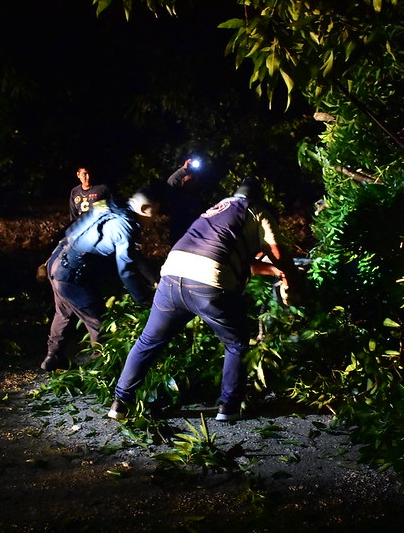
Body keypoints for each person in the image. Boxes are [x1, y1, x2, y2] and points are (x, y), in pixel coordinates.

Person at [107, 176, 302, 421]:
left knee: (148, 341)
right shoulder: (257, 212)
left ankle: (119, 403)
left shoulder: (215, 210)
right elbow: (278, 254)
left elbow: (234, 257)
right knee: (237, 342)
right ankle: (228, 407)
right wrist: (292, 279)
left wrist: (274, 271)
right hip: (207, 283)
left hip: (171, 276)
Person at [39, 183, 164, 371]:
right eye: (155, 213)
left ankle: (53, 356)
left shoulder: (111, 206)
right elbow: (126, 270)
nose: (155, 219)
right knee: (100, 323)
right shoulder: (126, 226)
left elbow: (134, 255)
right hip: (72, 275)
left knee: (64, 312)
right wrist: (145, 300)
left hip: (57, 263)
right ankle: (103, 368)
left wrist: (152, 279)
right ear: (145, 209)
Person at [165, 158, 204, 244]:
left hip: (190, 234)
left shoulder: (195, 198)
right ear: (183, 180)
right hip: (175, 232)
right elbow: (170, 183)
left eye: (194, 178)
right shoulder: (176, 193)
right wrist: (184, 169)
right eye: (190, 177)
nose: (193, 179)